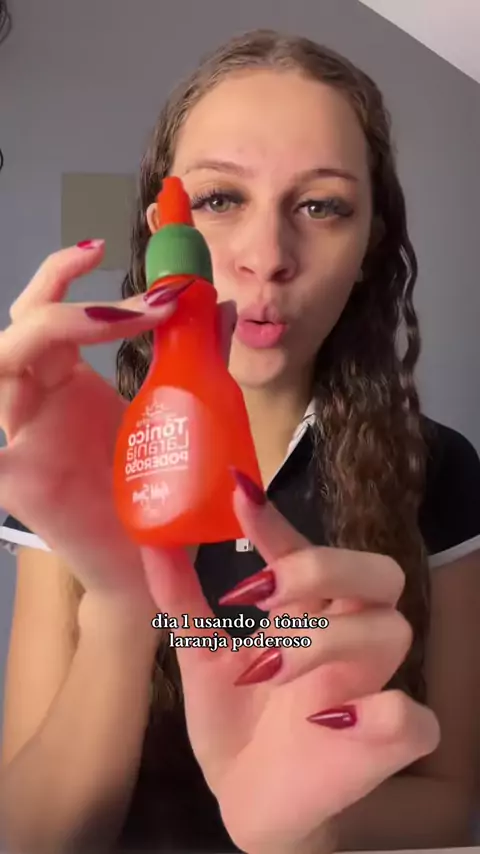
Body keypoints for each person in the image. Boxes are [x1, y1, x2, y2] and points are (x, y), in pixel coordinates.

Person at [0, 27, 478, 854]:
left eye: (321, 206)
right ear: (163, 234)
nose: (266, 258)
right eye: (220, 200)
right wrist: (123, 601)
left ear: (371, 245)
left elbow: (449, 800)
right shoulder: (80, 456)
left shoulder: (437, 467)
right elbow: (30, 836)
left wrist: (302, 829)